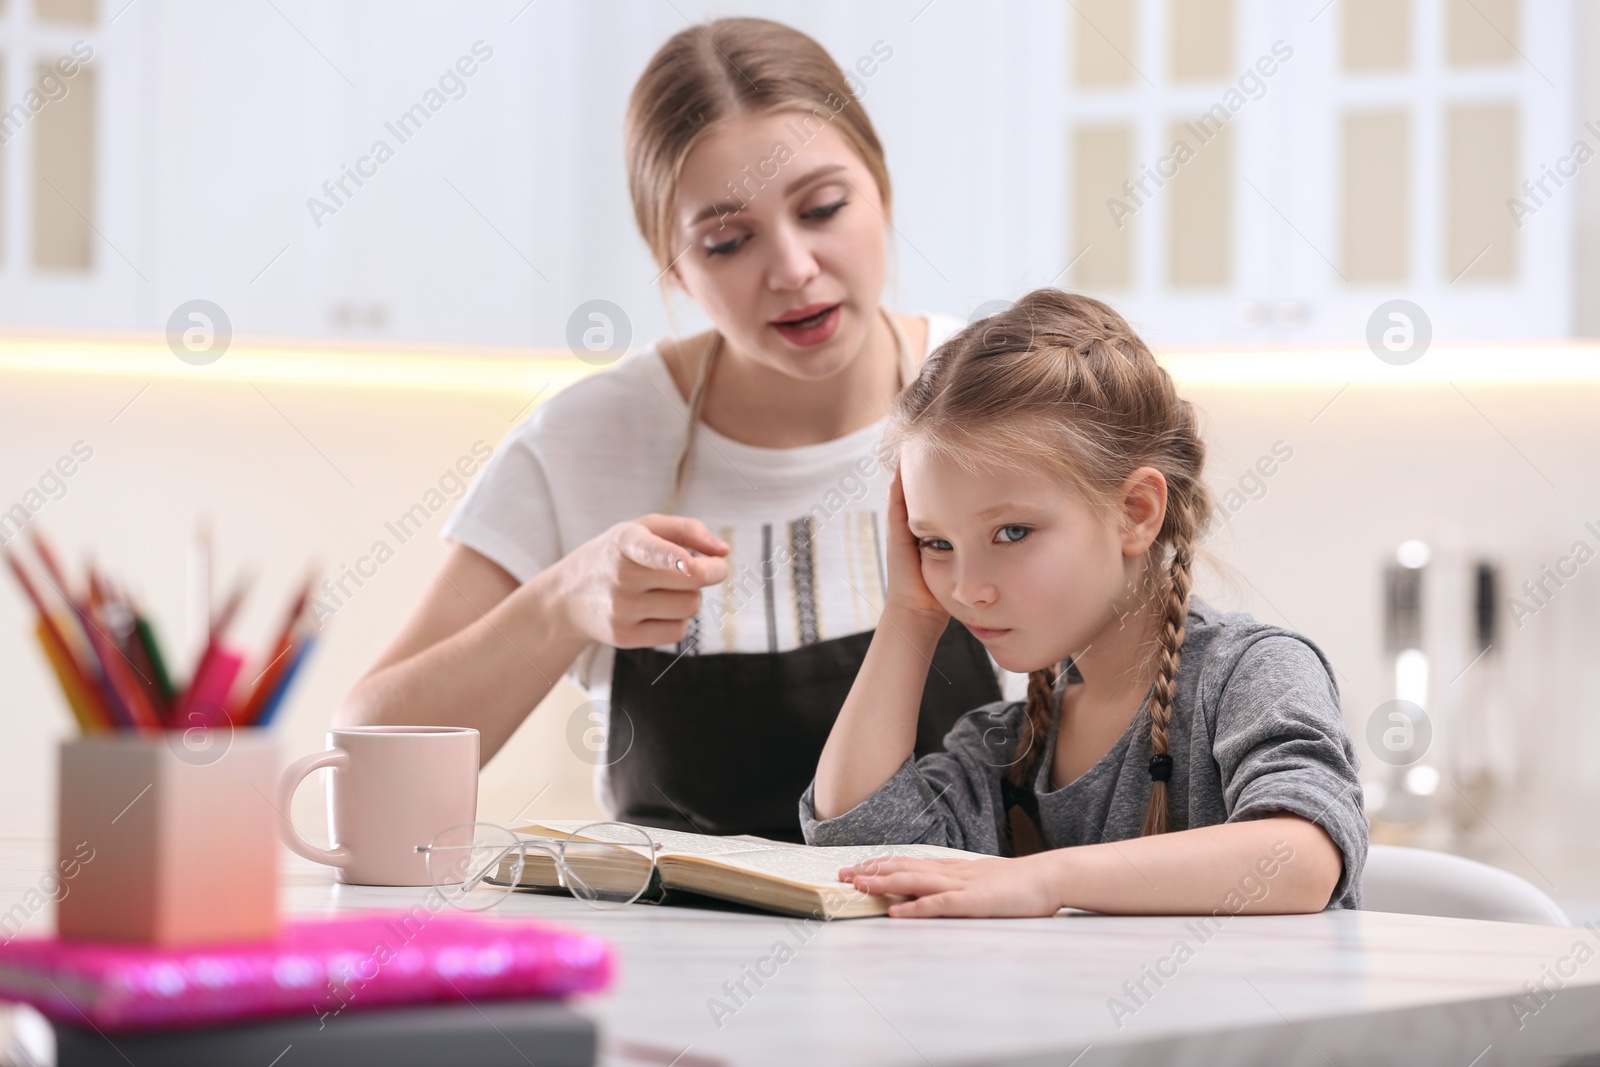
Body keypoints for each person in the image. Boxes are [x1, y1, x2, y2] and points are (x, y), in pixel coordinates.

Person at [337, 18, 1002, 842]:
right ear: (673, 265)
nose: (792, 268)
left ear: (882, 192)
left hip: (964, 954)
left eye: (823, 207)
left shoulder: (1001, 399)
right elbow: (368, 771)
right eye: (727, 240)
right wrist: (558, 606)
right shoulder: (583, 444)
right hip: (674, 962)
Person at [802, 288, 1368, 917]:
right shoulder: (1006, 745)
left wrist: (1047, 880)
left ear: (1135, 512)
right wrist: (910, 612)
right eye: (936, 542)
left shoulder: (1250, 675)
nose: (968, 589)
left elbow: (1301, 859)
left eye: (1011, 533)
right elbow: (852, 841)